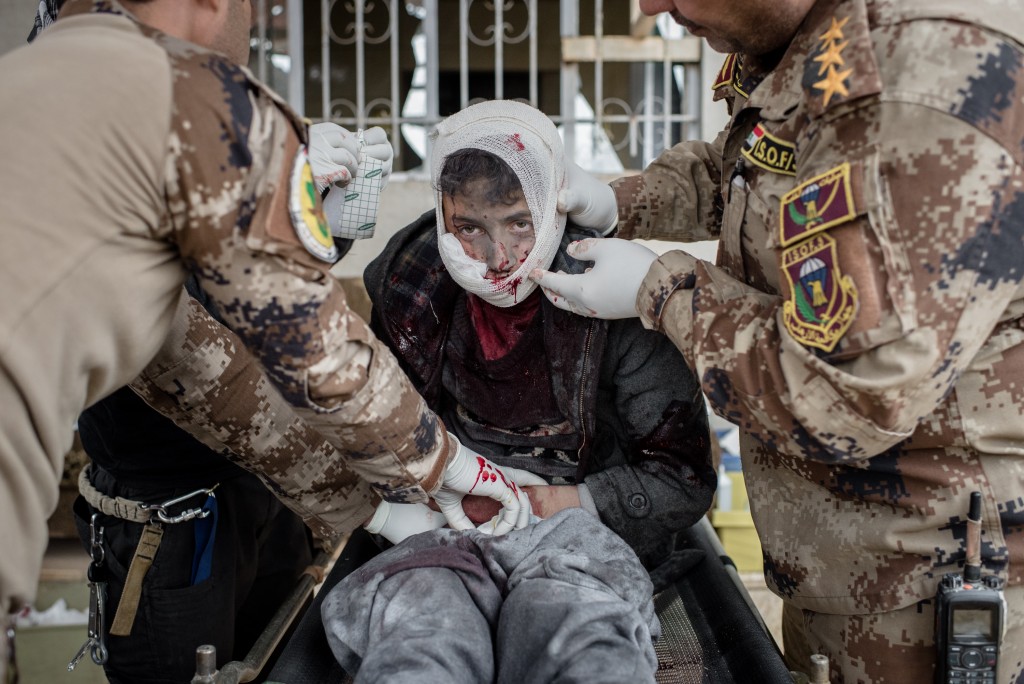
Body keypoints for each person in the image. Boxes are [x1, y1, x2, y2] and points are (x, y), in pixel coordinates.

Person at [0, 0, 532, 674]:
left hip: (236, 494)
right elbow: (259, 363)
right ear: (209, 4)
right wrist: (438, 470)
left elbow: (219, 321)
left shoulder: (37, 85)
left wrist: (311, 219)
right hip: (167, 509)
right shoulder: (188, 98)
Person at [531, 0, 1024, 682]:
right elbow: (757, 174)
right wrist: (625, 202)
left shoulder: (920, 93)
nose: (649, 5)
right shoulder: (814, 55)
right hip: (844, 579)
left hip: (932, 603)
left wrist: (665, 290)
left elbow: (852, 396)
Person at [362, 99, 715, 576]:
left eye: (520, 223)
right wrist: (407, 508)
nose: (498, 257)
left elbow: (682, 479)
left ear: (554, 208)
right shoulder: (411, 284)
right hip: (449, 532)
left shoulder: (614, 288)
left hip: (591, 547)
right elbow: (374, 432)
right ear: (443, 217)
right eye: (469, 228)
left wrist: (548, 505)